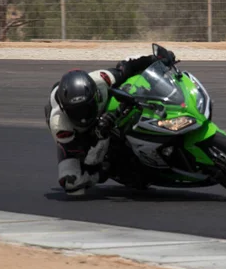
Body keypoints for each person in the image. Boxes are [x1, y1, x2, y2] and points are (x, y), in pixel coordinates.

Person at [44, 52, 174, 195]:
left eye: (86, 108)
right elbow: (85, 156)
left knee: (128, 84)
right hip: (78, 139)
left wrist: (156, 60)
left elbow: (125, 67)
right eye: (77, 112)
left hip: (100, 112)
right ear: (66, 110)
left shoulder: (100, 80)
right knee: (72, 185)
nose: (83, 117)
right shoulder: (61, 127)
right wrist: (99, 135)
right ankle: (106, 172)